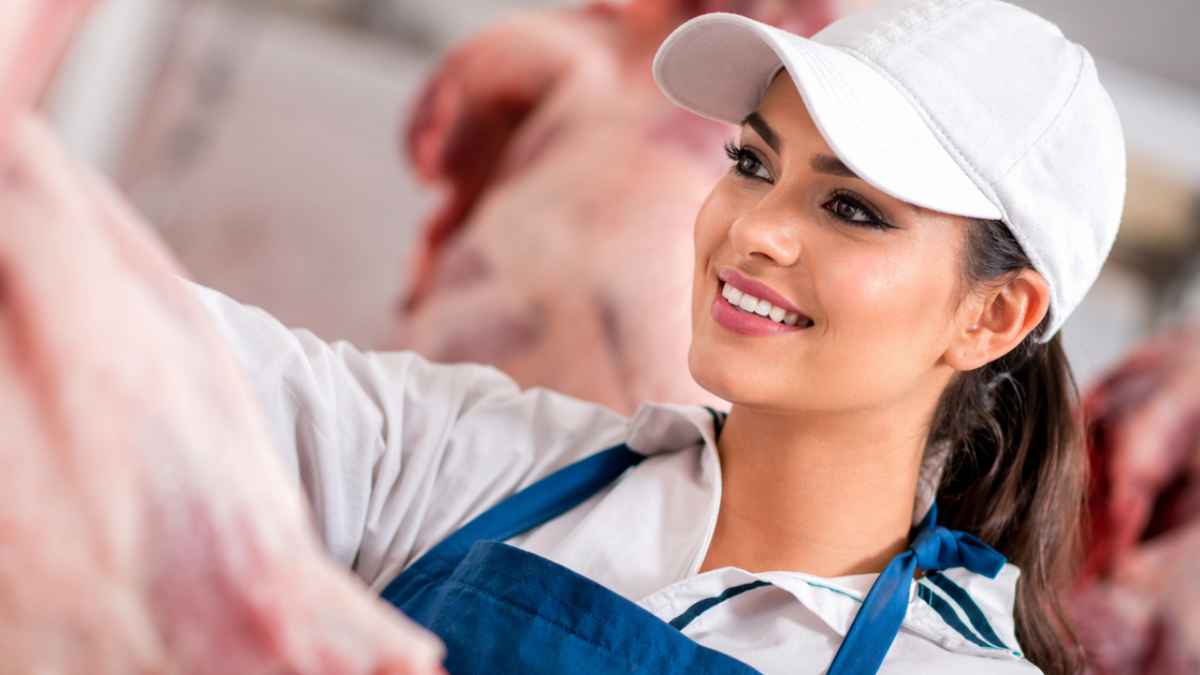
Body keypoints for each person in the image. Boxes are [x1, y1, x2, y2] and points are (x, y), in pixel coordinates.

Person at [1, 0, 1122, 673]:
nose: (753, 234)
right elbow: (145, 346)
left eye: (851, 208)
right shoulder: (478, 465)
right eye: (751, 163)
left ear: (994, 316)